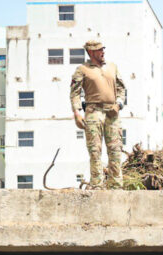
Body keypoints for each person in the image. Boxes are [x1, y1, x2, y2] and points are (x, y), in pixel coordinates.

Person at [69, 39, 126, 189]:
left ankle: (115, 186)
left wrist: (118, 105)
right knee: (95, 150)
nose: (103, 52)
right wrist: (77, 113)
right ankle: (97, 185)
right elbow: (74, 93)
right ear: (91, 52)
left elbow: (121, 89)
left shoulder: (112, 67)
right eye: (99, 50)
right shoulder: (82, 69)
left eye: (103, 49)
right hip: (93, 112)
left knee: (115, 150)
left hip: (112, 113)